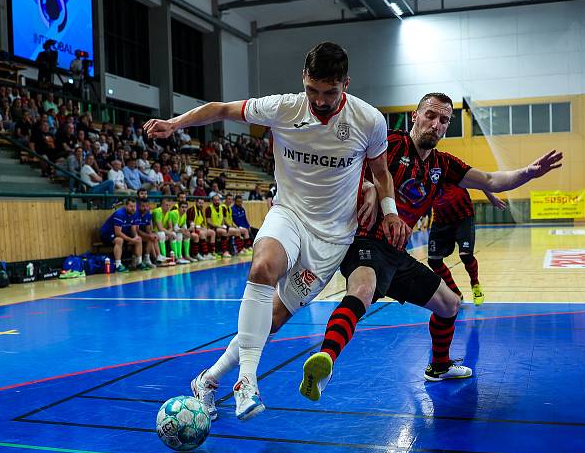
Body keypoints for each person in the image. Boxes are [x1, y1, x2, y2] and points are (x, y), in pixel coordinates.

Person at [145, 41, 407, 421]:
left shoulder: (369, 121)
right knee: (262, 267)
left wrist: (389, 211)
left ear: (345, 84)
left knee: (275, 316)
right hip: (288, 213)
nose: (319, 100)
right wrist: (174, 123)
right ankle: (246, 381)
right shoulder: (283, 107)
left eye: (329, 92)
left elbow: (381, 172)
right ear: (304, 79)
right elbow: (220, 109)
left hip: (332, 239)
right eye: (312, 90)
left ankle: (209, 379)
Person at [298, 92, 563, 402]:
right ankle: (325, 362)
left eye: (444, 120)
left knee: (449, 304)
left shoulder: (443, 165)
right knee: (362, 290)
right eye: (431, 116)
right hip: (364, 242)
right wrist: (368, 186)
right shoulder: (391, 144)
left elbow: (491, 179)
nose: (436, 124)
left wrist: (528, 173)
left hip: (397, 253)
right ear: (416, 116)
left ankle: (438, 367)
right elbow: (345, 168)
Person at [427, 183, 506, 306]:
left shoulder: (452, 165)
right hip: (440, 220)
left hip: (463, 216)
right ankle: (456, 293)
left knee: (465, 255)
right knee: (433, 261)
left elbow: (479, 179)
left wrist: (491, 197)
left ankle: (475, 284)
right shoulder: (423, 170)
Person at [98, 198, 141, 273]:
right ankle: (118, 265)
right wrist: (131, 240)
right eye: (131, 206)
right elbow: (117, 233)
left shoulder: (134, 213)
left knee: (138, 239)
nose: (133, 208)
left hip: (120, 233)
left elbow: (133, 229)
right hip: (106, 234)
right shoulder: (120, 214)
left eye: (134, 206)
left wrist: (136, 237)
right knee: (119, 240)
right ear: (126, 206)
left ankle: (139, 263)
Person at [132, 199, 156, 270]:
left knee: (151, 238)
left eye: (147, 206)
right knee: (139, 238)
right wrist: (148, 235)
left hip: (141, 234)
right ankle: (136, 261)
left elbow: (148, 229)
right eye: (143, 206)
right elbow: (137, 230)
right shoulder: (135, 214)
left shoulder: (148, 215)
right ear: (139, 206)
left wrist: (152, 235)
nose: (145, 208)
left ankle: (146, 259)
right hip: (132, 233)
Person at [153, 199, 177, 265]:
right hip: (153, 231)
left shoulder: (169, 212)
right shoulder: (158, 212)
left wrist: (169, 234)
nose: (168, 207)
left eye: (169, 205)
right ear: (161, 205)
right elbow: (160, 228)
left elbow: (170, 227)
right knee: (162, 234)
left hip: (163, 231)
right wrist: (169, 233)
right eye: (166, 205)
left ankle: (176, 257)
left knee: (173, 234)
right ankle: (163, 257)